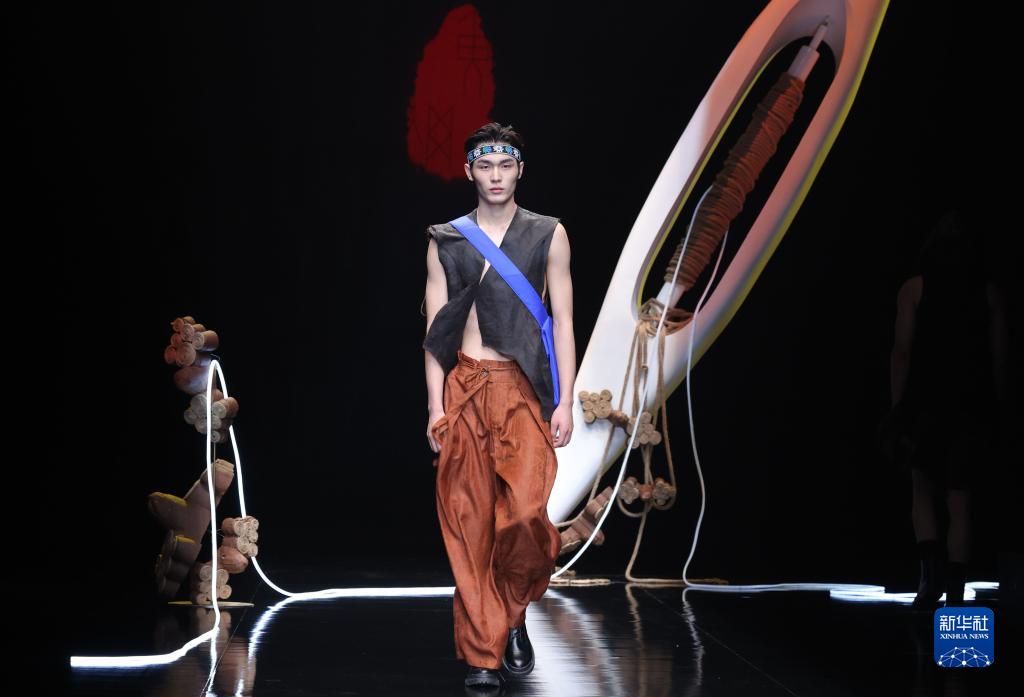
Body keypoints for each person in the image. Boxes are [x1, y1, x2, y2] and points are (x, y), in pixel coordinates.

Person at [422, 122, 576, 689]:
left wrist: (565, 401)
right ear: (469, 171)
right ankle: (483, 655)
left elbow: (563, 322)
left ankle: (512, 613)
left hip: (523, 391)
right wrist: (434, 406)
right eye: (484, 166)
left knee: (528, 516)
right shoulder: (446, 239)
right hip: (464, 389)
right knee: (469, 526)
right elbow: (435, 334)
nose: (495, 176)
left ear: (519, 171)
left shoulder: (548, 233)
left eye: (505, 166)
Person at [883, 210, 1009, 610]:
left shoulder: (914, 289)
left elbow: (901, 352)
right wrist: (999, 406)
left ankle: (929, 583)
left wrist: (897, 406)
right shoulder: (988, 293)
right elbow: (999, 357)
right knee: (960, 499)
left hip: (926, 403)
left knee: (922, 490)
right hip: (971, 404)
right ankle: (954, 588)